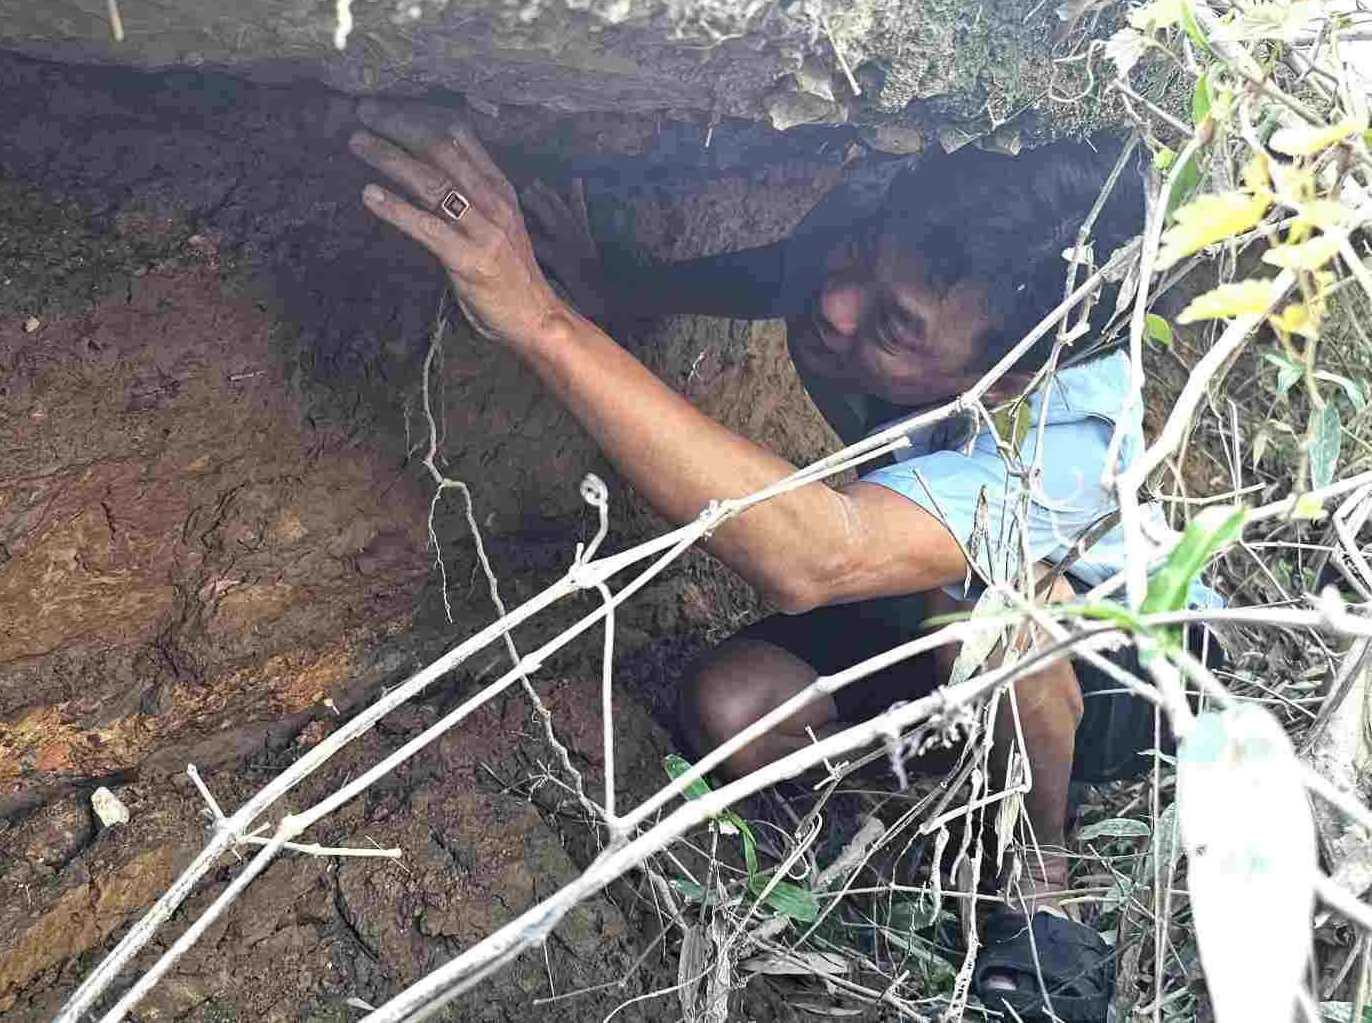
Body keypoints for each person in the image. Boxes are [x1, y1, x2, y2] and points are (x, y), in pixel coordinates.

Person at [348, 99, 1160, 1021]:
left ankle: (1040, 868)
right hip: (930, 589)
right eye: (861, 255)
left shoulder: (1070, 435)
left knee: (1009, 615)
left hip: (1111, 659)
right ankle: (921, 795)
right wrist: (622, 288)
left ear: (1002, 378)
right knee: (734, 710)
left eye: (893, 327)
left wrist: (542, 318)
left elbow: (819, 555)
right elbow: (788, 272)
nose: (837, 306)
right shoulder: (885, 251)